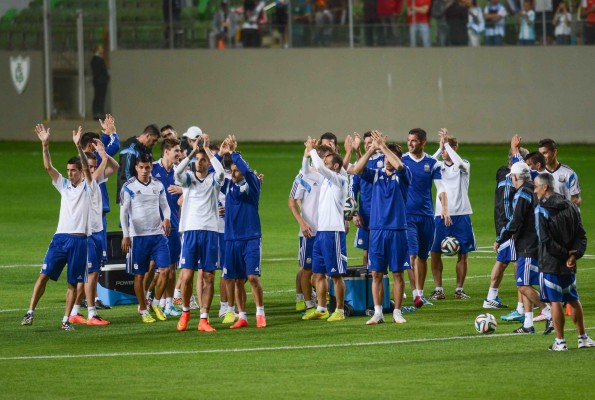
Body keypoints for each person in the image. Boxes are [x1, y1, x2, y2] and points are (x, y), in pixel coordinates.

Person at [21, 125, 94, 331]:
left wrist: (79, 146)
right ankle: (30, 312)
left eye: (73, 171)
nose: (69, 174)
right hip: (60, 239)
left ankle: (66, 320)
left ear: (80, 171)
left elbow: (88, 170)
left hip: (79, 240)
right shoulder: (63, 185)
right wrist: (45, 145)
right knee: (43, 275)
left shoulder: (89, 187)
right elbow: (48, 168)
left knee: (73, 283)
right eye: (68, 170)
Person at [352, 131, 411, 324]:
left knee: (397, 273)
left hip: (397, 230)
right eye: (385, 157)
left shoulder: (403, 175)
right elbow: (357, 170)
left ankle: (397, 312)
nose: (387, 160)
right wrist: (371, 150)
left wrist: (383, 146)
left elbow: (400, 166)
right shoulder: (375, 175)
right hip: (376, 231)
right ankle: (377, 312)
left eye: (389, 157)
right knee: (376, 272)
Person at [533, 172, 594, 351]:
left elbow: (545, 240)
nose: (535, 190)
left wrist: (564, 255)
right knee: (573, 299)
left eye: (536, 186)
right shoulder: (571, 206)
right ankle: (583, 337)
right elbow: (581, 235)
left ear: (545, 187)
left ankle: (560, 341)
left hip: (551, 263)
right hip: (569, 264)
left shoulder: (541, 209)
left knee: (555, 302)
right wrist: (573, 255)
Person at [174, 134, 225, 332]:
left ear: (208, 162)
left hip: (210, 231)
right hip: (191, 231)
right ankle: (186, 311)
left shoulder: (214, 179)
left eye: (203, 160)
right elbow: (178, 172)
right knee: (186, 276)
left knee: (209, 277)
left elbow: (220, 172)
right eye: (197, 159)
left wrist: (209, 152)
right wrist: (194, 151)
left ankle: (204, 318)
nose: (199, 162)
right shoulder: (188, 180)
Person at [494, 162, 552, 334]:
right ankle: (528, 323)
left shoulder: (522, 193)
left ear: (514, 178)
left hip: (528, 244)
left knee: (522, 286)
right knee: (524, 282)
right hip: (528, 243)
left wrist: (500, 238)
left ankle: (548, 311)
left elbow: (515, 221)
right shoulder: (530, 188)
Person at [69, 142, 119, 327]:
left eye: (93, 166)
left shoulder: (95, 182)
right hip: (88, 234)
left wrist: (103, 156)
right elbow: (95, 174)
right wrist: (102, 155)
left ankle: (75, 312)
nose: (91, 170)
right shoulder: (86, 183)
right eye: (87, 167)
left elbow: (114, 168)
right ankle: (91, 314)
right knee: (90, 274)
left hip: (97, 232)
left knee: (93, 274)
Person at [220, 136, 266, 329]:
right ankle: (243, 316)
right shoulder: (229, 185)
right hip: (231, 239)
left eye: (237, 171)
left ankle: (260, 313)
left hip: (251, 238)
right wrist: (222, 154)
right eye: (232, 172)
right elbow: (217, 170)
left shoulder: (252, 186)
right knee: (237, 280)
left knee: (252, 278)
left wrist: (234, 153)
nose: (234, 174)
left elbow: (245, 169)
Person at [120, 153, 172, 323]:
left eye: (147, 167)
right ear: (135, 168)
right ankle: (143, 309)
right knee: (140, 275)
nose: (144, 171)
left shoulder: (158, 185)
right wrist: (126, 235)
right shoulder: (129, 187)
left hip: (158, 235)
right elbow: (123, 212)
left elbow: (165, 206)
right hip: (138, 237)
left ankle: (155, 303)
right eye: (141, 167)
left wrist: (166, 219)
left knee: (165, 270)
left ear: (151, 167)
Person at [301, 137, 349, 322]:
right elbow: (306, 172)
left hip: (334, 232)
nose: (323, 164)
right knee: (318, 273)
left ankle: (340, 310)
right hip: (321, 232)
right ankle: (321, 308)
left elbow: (319, 168)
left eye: (327, 162)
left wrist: (313, 149)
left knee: (335, 274)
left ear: (335, 166)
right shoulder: (325, 179)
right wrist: (307, 155)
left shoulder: (340, 180)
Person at [402, 128, 447, 306]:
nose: (410, 143)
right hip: (408, 216)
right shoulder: (403, 161)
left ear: (422, 142)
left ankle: (420, 293)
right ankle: (415, 296)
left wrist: (444, 208)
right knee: (412, 255)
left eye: (413, 140)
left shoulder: (432, 163)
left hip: (427, 215)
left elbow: (441, 187)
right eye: (408, 140)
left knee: (423, 257)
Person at [79, 114, 120, 309]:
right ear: (89, 148)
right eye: (94, 147)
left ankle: (92, 299)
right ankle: (84, 304)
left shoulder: (95, 166)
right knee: (89, 264)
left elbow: (112, 160)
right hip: (91, 219)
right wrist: (110, 133)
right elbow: (114, 148)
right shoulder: (89, 171)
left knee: (95, 264)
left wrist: (104, 138)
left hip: (99, 217)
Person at [484, 135, 528, 314]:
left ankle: (491, 297)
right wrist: (510, 231)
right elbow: (510, 208)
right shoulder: (514, 181)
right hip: (511, 227)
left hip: (502, 224)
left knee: (502, 261)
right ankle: (520, 308)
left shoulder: (502, 173)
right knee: (518, 262)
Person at [430, 129, 476, 299]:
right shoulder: (437, 166)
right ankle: (438, 289)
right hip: (439, 215)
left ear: (455, 148)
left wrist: (447, 146)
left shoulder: (463, 164)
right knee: (435, 252)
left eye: (447, 148)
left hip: (461, 214)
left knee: (463, 253)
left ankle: (459, 289)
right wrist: (441, 146)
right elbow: (427, 162)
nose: (443, 152)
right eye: (442, 149)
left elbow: (460, 164)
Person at [151, 138, 183, 318]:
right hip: (153, 227)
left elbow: (194, 190)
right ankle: (150, 300)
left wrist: (183, 191)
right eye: (176, 151)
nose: (179, 154)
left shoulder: (180, 172)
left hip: (173, 226)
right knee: (153, 268)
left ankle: (168, 303)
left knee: (171, 268)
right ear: (166, 152)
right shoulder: (153, 169)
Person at [117, 124, 160, 201]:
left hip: (142, 192)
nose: (155, 143)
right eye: (154, 140)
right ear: (148, 136)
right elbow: (126, 173)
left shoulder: (146, 149)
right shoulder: (131, 148)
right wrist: (134, 191)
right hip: (131, 194)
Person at [538, 138, 581, 206]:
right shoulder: (537, 173)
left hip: (563, 215)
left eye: (545, 153)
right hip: (543, 215)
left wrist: (567, 209)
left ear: (554, 152)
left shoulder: (568, 173)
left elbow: (576, 198)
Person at [90, 46, 109, 120]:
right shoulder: (97, 59)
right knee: (99, 97)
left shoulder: (96, 59)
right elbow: (101, 70)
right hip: (100, 81)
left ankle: (98, 112)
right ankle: (98, 112)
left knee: (99, 97)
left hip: (98, 80)